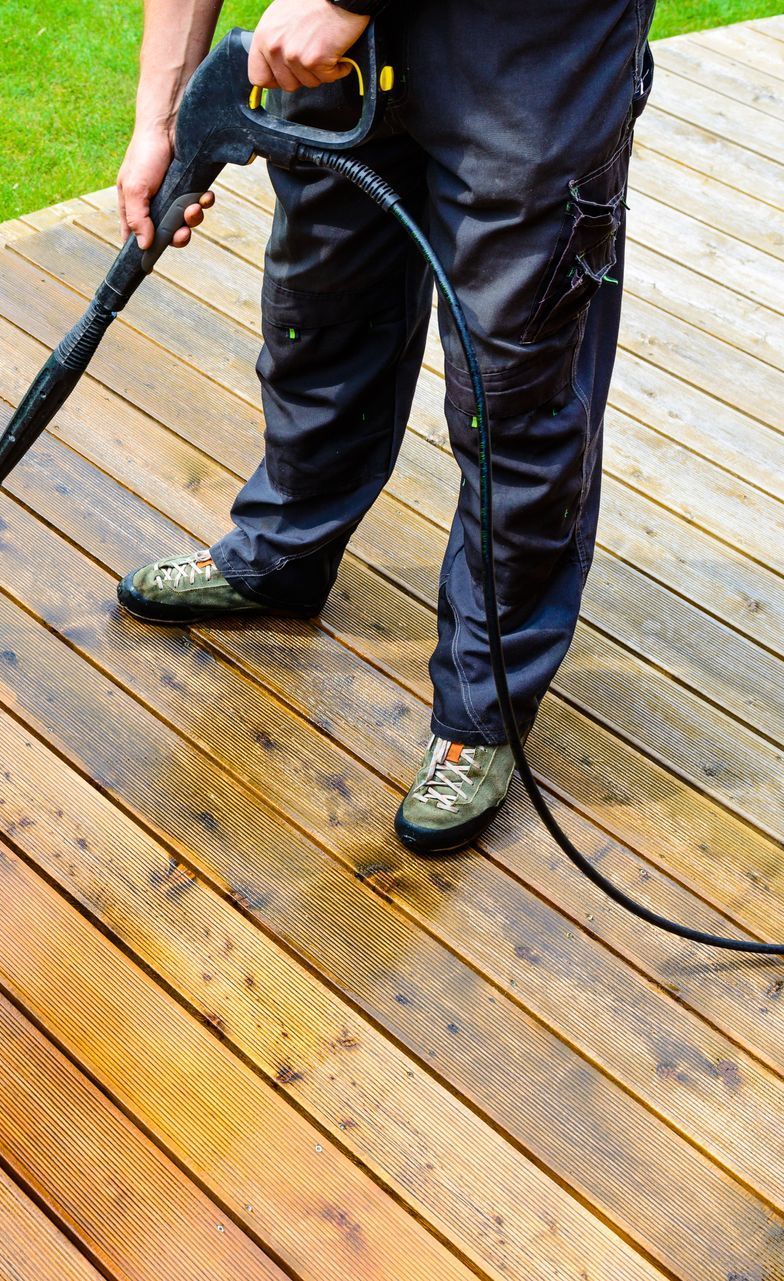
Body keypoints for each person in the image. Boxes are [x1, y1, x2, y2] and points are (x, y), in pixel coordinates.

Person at [112, 0, 654, 853]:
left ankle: (483, 708)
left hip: (532, 46)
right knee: (320, 308)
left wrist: (339, 3)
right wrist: (165, 116)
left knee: (512, 382)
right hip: (339, 51)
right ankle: (282, 553)